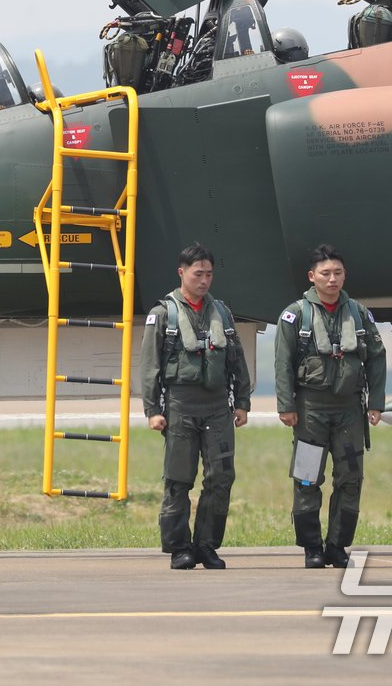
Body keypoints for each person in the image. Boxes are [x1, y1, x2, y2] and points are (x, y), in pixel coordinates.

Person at [139, 243, 252, 570]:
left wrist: (242, 402)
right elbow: (149, 366)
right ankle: (179, 548)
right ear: (182, 273)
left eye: (209, 274)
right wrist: (153, 410)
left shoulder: (223, 314)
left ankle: (206, 546)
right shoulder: (163, 315)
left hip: (217, 407)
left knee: (221, 477)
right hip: (180, 406)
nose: (204, 280)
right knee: (178, 479)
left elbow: (237, 361)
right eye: (197, 273)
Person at [274, 244, 387, 569]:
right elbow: (282, 362)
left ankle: (337, 546)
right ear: (312, 277)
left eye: (338, 273)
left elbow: (377, 358)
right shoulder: (295, 315)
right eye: (326, 273)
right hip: (310, 410)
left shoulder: (360, 314)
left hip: (350, 410)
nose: (332, 279)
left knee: (350, 478)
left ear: (344, 275)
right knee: (308, 478)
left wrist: (375, 403)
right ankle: (312, 547)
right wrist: (287, 405)